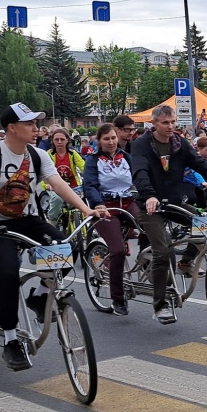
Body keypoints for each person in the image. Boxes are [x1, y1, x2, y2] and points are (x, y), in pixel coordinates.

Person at [0, 103, 103, 371]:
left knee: (67, 249)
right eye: (29, 124)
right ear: (11, 128)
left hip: (27, 220)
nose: (35, 128)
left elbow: (59, 185)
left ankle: (40, 295)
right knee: (8, 275)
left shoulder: (38, 155)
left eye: (35, 123)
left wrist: (87, 209)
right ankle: (11, 340)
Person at [131, 105, 207, 323]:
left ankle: (186, 262)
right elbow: (140, 171)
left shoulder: (179, 143)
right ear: (154, 124)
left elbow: (201, 164)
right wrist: (149, 195)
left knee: (204, 224)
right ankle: (160, 305)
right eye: (165, 123)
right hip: (150, 204)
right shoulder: (141, 144)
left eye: (173, 122)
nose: (171, 126)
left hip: (173, 202)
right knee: (163, 252)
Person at [82, 123, 139, 315]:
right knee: (118, 251)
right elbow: (89, 185)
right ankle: (117, 298)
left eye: (113, 137)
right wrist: (98, 204)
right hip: (106, 208)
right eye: (106, 139)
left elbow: (140, 178)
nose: (111, 142)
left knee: (154, 233)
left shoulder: (126, 158)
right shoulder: (93, 160)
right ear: (99, 141)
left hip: (128, 204)